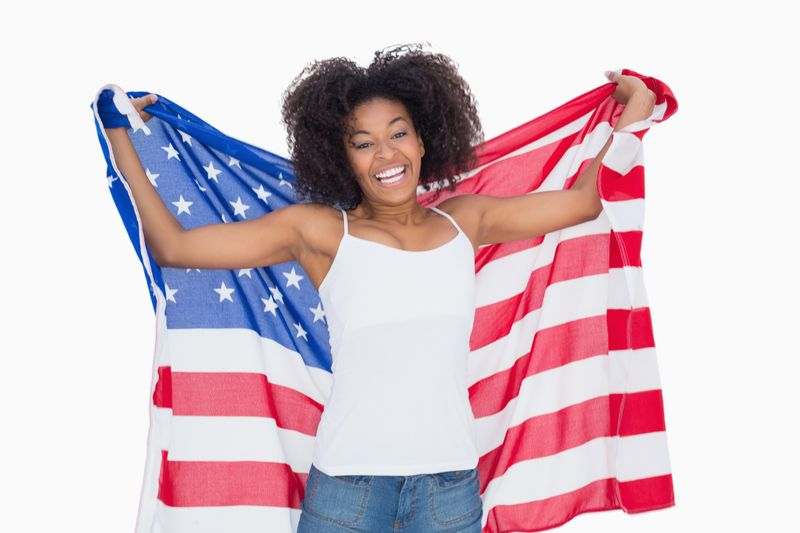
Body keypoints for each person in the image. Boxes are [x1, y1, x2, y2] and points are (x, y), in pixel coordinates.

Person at [103, 43, 655, 533]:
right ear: (342, 158)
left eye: (398, 134)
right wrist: (120, 135)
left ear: (423, 141)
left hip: (448, 493)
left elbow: (585, 200)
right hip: (349, 493)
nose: (387, 155)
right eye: (364, 143)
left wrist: (635, 108)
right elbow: (175, 247)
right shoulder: (320, 230)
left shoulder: (468, 220)